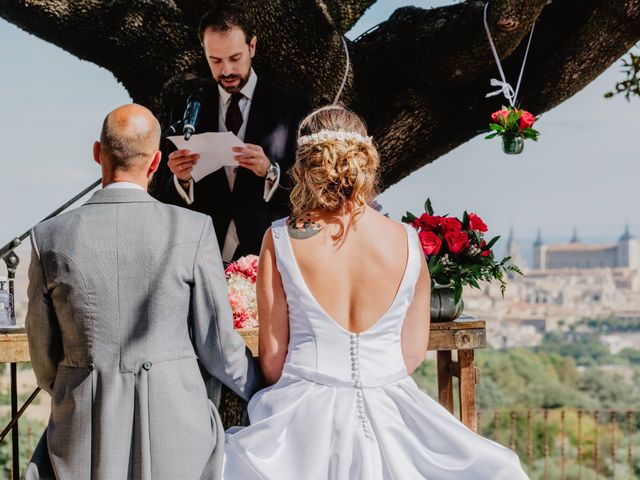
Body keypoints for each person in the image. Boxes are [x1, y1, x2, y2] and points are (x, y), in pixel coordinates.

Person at [221, 105, 529, 479]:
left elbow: (272, 358)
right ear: (365, 161)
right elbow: (412, 352)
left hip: (302, 417)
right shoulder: (407, 240)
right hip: (391, 406)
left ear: (304, 167)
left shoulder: (281, 237)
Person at [25, 104, 259, 480]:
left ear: (98, 153)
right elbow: (218, 346)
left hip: (83, 434)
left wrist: (84, 384)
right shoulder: (193, 229)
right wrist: (266, 390)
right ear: (155, 163)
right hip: (179, 432)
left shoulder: (48, 237)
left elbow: (44, 355)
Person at [152, 4, 311, 262]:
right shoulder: (188, 107)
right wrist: (181, 181)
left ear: (252, 47)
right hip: (202, 257)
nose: (226, 70)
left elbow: (309, 188)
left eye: (234, 58)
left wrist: (270, 171)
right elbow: (167, 198)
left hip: (269, 257)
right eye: (215, 60)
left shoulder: (293, 106)